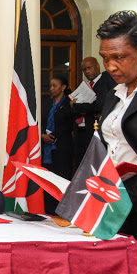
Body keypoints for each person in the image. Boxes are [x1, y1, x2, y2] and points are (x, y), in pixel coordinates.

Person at [97, 10, 137, 244]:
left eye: (119, 57)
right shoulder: (113, 94)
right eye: (105, 58)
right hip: (115, 201)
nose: (110, 66)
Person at [71, 56, 116, 166]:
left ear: (97, 66)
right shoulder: (85, 85)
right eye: (84, 69)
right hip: (84, 129)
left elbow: (100, 105)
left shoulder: (105, 79)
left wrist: (77, 106)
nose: (87, 71)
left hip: (100, 129)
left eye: (89, 68)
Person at [41, 75, 74, 214]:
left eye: (55, 86)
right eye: (51, 86)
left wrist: (54, 136)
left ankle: (61, 211)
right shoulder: (47, 102)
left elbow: (70, 124)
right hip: (47, 146)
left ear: (63, 87)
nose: (52, 89)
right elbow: (40, 121)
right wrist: (42, 135)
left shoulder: (69, 103)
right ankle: (48, 210)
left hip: (62, 147)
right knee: (48, 178)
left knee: (61, 177)